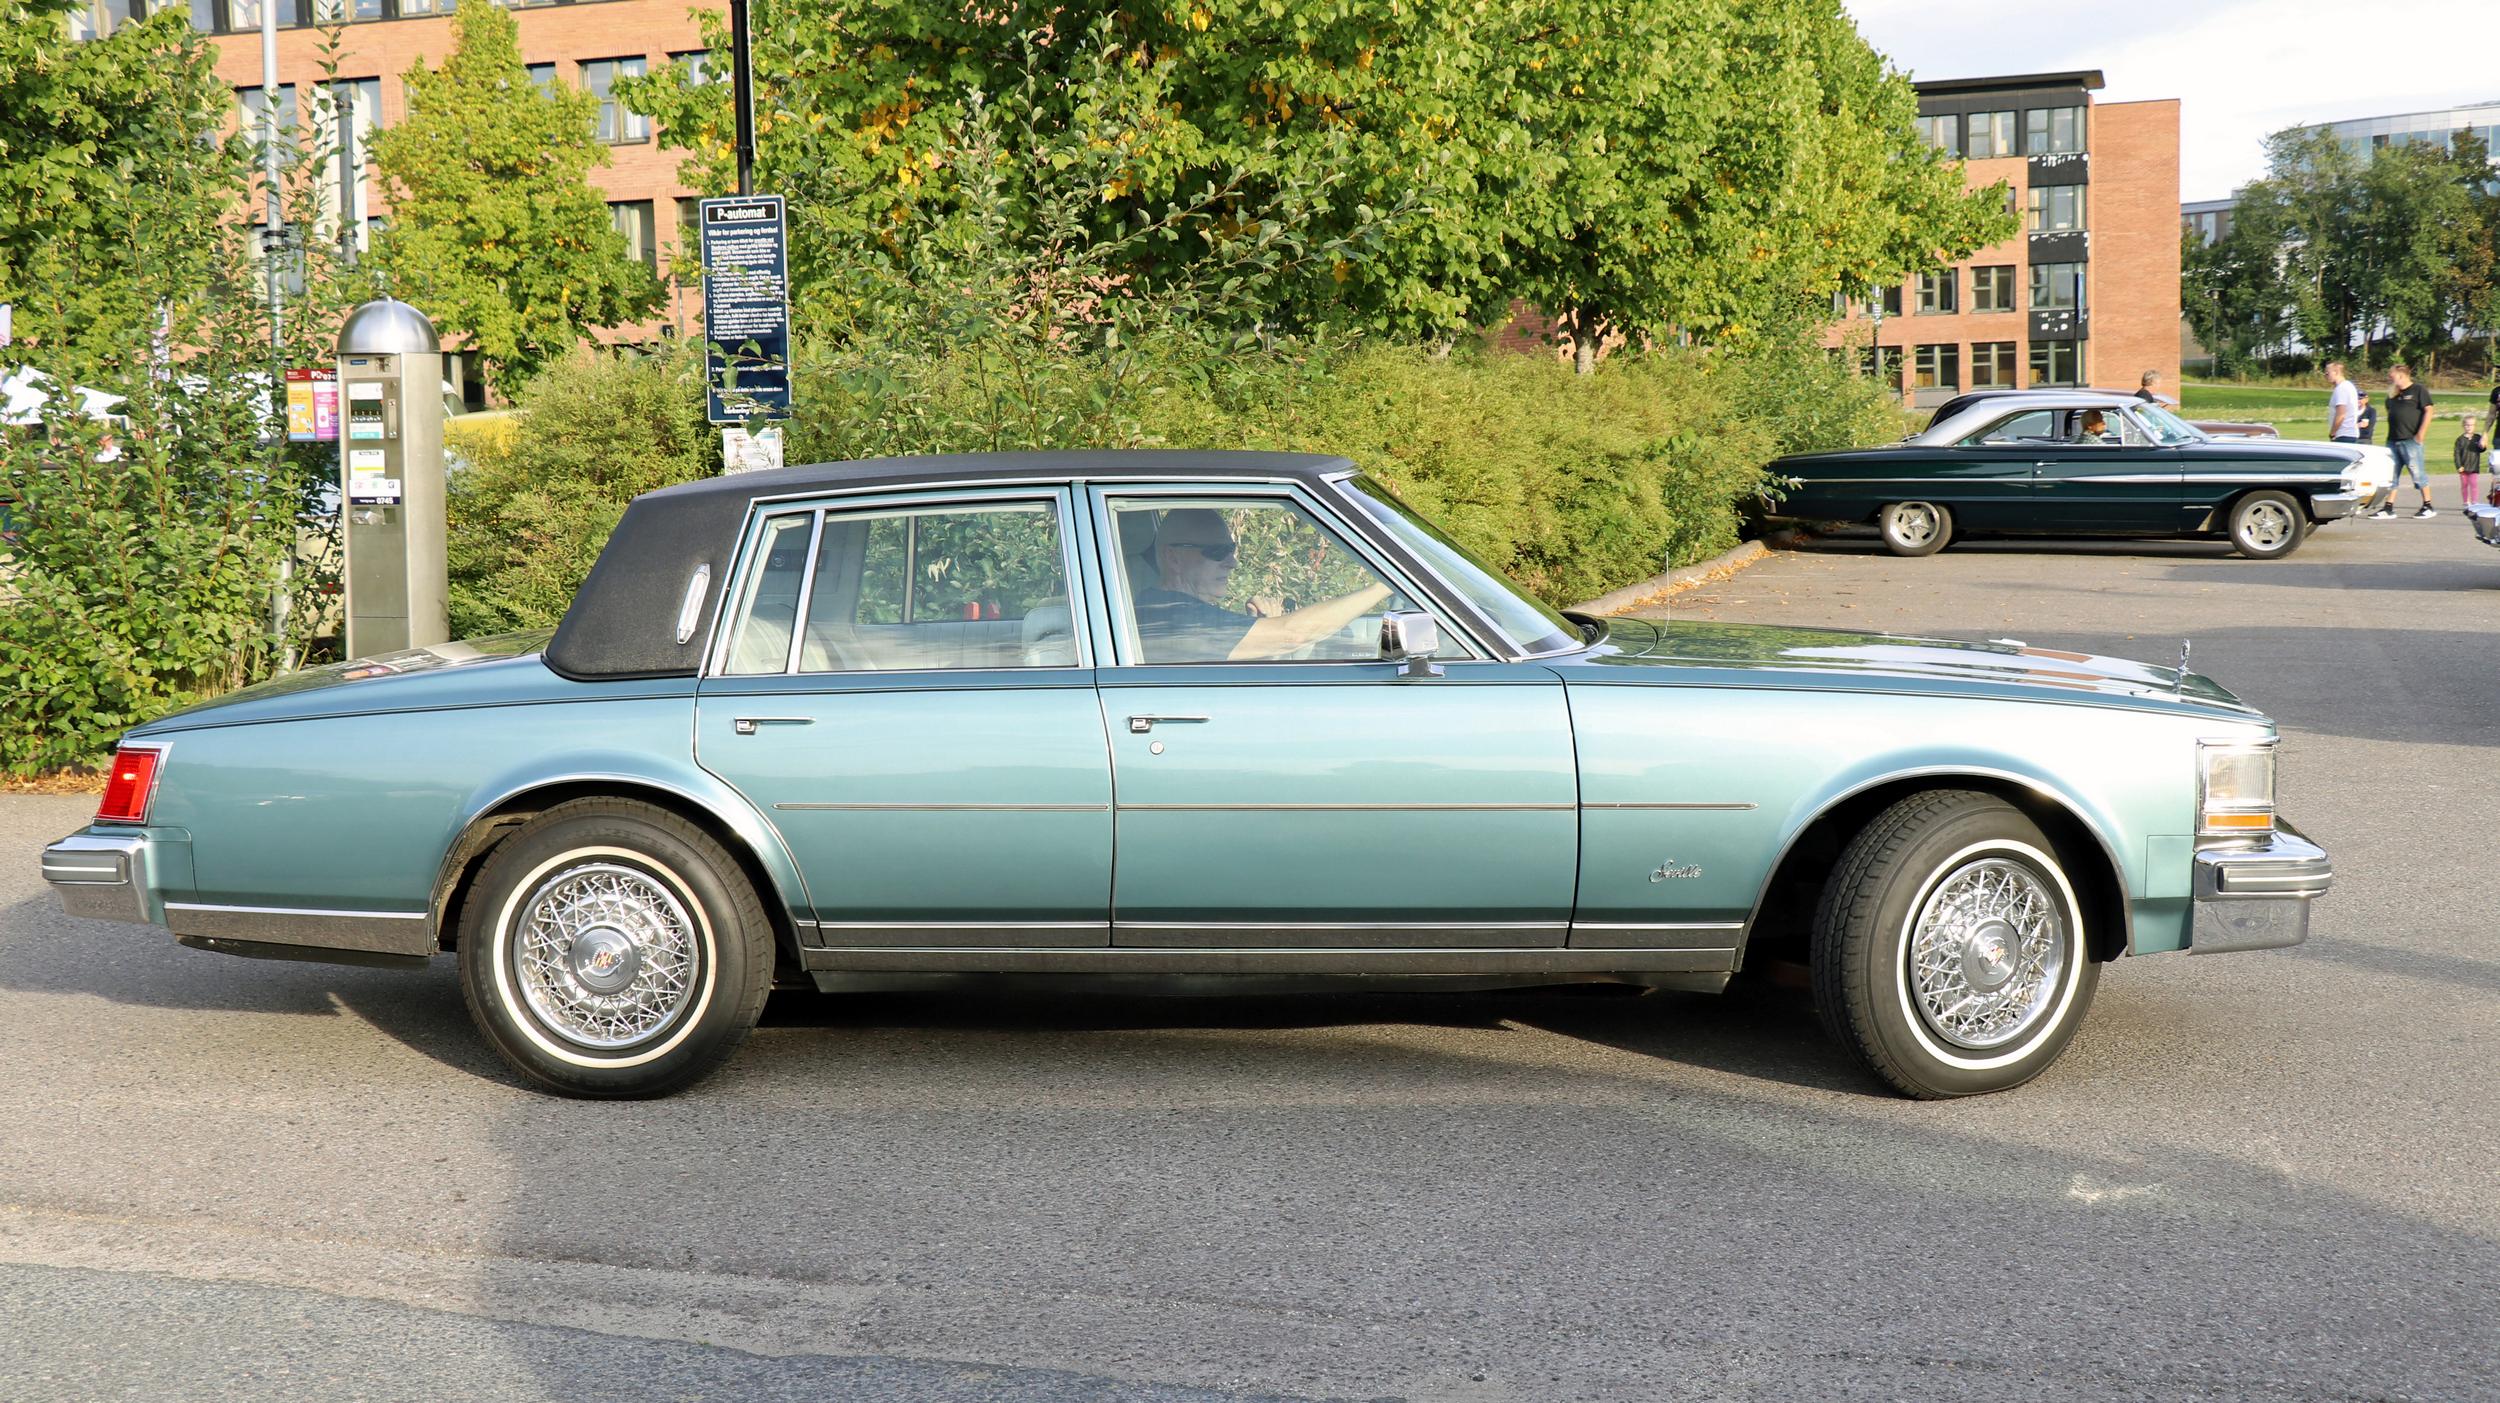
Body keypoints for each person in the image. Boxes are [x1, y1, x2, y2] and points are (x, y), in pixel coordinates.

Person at [1130, 508, 1393, 663]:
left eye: (1232, 549)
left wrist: (1257, 630)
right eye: (1217, 551)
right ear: (1173, 558)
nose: (1232, 563)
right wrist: (1386, 584)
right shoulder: (1171, 616)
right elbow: (1293, 636)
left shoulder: (1164, 609)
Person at [2380, 364, 2436, 519]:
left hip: (2410, 440)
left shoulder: (2418, 390)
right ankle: (2388, 507)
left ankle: (2427, 505)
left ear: (2400, 376)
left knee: (2417, 473)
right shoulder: (2393, 394)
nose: (2389, 378)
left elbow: (2429, 410)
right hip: (2393, 439)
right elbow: (2390, 410)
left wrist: (2420, 434)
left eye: (2391, 375)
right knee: (2391, 476)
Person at [2457, 415, 2488, 510]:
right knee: (2464, 484)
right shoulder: (2460, 440)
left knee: (2473, 483)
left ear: (2475, 426)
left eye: (2471, 425)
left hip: (2474, 466)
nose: (2469, 427)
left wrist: (2482, 446)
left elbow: (2481, 449)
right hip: (2463, 467)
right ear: (2463, 425)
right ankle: (2466, 502)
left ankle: (2475, 501)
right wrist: (2459, 465)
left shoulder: (2477, 438)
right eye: (2467, 425)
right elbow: (2456, 454)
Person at [2325, 362, 2359, 443]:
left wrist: (2333, 433)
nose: (2325, 375)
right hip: (2349, 434)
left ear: (2336, 373)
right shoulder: (2349, 386)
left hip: (2343, 434)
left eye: (2327, 372)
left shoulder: (2341, 388)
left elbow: (2341, 414)